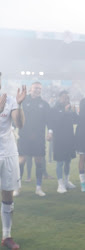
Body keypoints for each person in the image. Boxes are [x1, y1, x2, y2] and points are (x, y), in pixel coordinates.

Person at [0, 72, 26, 249]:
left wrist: (19, 104)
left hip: (7, 153)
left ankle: (7, 236)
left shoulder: (8, 99)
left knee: (7, 193)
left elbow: (20, 125)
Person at [16, 82, 51, 196]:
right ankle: (17, 187)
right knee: (21, 161)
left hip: (39, 137)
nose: (37, 90)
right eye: (36, 88)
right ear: (31, 89)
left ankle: (38, 188)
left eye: (39, 88)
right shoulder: (24, 101)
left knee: (39, 161)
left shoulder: (44, 104)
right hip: (24, 136)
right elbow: (16, 115)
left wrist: (50, 132)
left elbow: (48, 121)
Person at [48, 91, 77, 193]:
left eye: (67, 98)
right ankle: (60, 184)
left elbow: (76, 121)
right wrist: (65, 112)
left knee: (68, 161)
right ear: (59, 98)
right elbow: (55, 123)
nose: (66, 100)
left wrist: (74, 112)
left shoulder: (69, 109)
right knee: (60, 162)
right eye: (64, 98)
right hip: (59, 140)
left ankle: (66, 181)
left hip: (69, 139)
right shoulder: (54, 109)